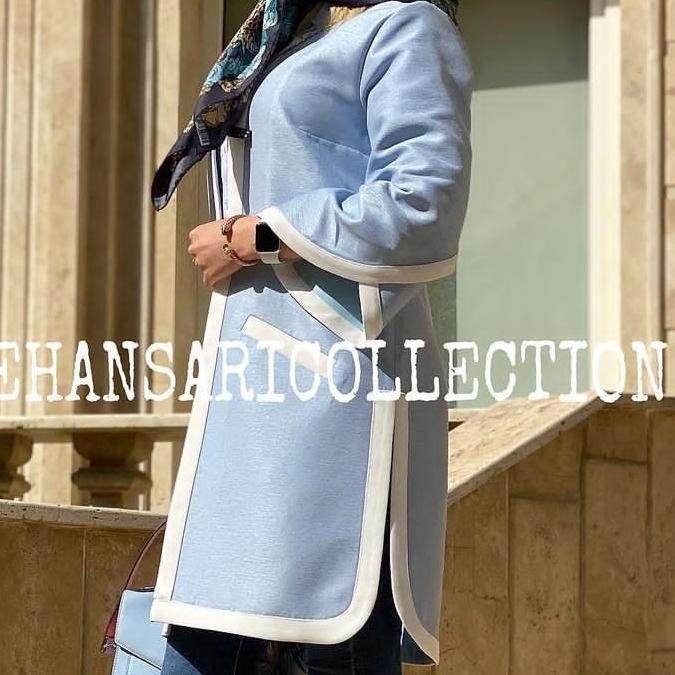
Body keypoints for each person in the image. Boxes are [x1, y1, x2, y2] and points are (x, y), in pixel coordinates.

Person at [150, 0, 472, 672]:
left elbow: (423, 199)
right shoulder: (293, 32)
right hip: (255, 391)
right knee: (203, 629)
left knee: (325, 629)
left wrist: (252, 236)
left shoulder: (407, 25)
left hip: (340, 394)